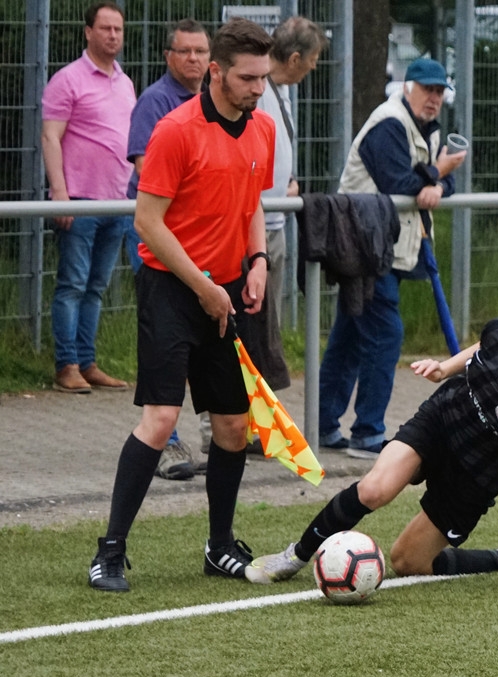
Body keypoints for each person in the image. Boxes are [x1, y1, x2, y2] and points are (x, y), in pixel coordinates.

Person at [87, 17, 276, 592]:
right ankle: (110, 550)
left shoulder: (263, 128)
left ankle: (219, 547)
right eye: (248, 79)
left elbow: (251, 205)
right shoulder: (175, 130)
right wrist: (203, 286)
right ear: (216, 72)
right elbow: (148, 222)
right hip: (171, 288)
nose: (258, 89)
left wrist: (258, 261)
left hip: (225, 292)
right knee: (162, 418)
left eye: (263, 78)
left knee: (233, 426)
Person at [247, 299, 498, 600]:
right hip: (442, 421)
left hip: (475, 476)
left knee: (407, 562)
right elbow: (484, 345)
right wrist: (444, 369)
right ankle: (296, 555)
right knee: (374, 489)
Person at [318, 57, 466, 459]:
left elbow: (442, 182)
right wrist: (436, 174)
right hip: (363, 246)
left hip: (384, 245)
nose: (434, 98)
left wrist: (437, 183)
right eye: (427, 89)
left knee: (350, 336)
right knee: (385, 334)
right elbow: (398, 183)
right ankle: (367, 434)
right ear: (407, 88)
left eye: (440, 91)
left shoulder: (427, 127)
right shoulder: (388, 123)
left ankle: (324, 424)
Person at [124, 18, 212, 481]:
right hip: (161, 240)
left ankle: (217, 430)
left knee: (207, 343)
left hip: (204, 243)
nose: (193, 59)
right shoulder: (155, 102)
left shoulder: (215, 100)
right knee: (166, 346)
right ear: (168, 56)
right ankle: (166, 441)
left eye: (201, 51)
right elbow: (148, 169)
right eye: (185, 51)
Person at [41, 2, 135, 394]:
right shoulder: (68, 80)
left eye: (118, 29)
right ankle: (67, 366)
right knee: (73, 284)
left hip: (117, 201)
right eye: (105, 28)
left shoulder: (125, 83)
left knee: (96, 287)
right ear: (88, 32)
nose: (113, 35)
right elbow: (51, 136)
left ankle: (87, 362)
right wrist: (60, 193)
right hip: (79, 199)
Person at [240, 16, 328, 401]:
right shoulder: (259, 91)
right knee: (246, 327)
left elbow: (273, 151)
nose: (313, 68)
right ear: (294, 59)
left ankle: (257, 414)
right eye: (312, 60)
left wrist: (287, 182)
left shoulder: (282, 89)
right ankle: (227, 419)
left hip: (274, 220)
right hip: (253, 224)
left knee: (265, 330)